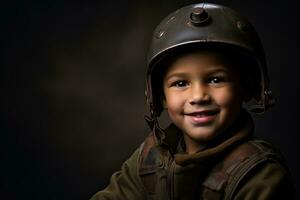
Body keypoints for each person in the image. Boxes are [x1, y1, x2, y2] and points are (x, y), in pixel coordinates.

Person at [90, 3, 296, 200]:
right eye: (180, 83)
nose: (198, 96)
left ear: (247, 87)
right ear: (160, 97)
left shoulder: (259, 174)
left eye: (216, 80)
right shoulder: (150, 160)